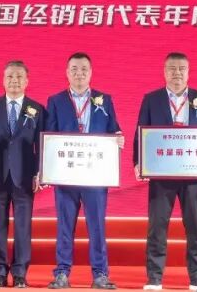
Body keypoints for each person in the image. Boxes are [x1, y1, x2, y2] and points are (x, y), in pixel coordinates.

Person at [133, 52, 197, 291]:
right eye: (172, 69)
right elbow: (140, 131)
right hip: (161, 174)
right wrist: (138, 162)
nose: (177, 73)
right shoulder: (151, 99)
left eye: (182, 69)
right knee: (157, 226)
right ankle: (154, 278)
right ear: (164, 72)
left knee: (195, 227)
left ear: (189, 72)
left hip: (193, 175)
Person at [45, 52, 122, 290]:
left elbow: (114, 130)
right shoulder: (56, 101)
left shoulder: (104, 100)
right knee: (64, 226)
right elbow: (49, 136)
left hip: (95, 176)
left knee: (97, 226)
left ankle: (100, 274)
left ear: (91, 73)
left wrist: (118, 138)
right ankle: (62, 273)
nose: (79, 74)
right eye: (74, 69)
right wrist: (47, 170)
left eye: (84, 70)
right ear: (67, 73)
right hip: (65, 176)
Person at [0, 61, 45, 288]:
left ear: (27, 81)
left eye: (19, 76)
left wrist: (40, 172)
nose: (14, 80)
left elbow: (41, 143)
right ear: (3, 80)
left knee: (23, 227)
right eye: (10, 76)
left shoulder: (37, 109)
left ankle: (20, 273)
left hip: (25, 176)